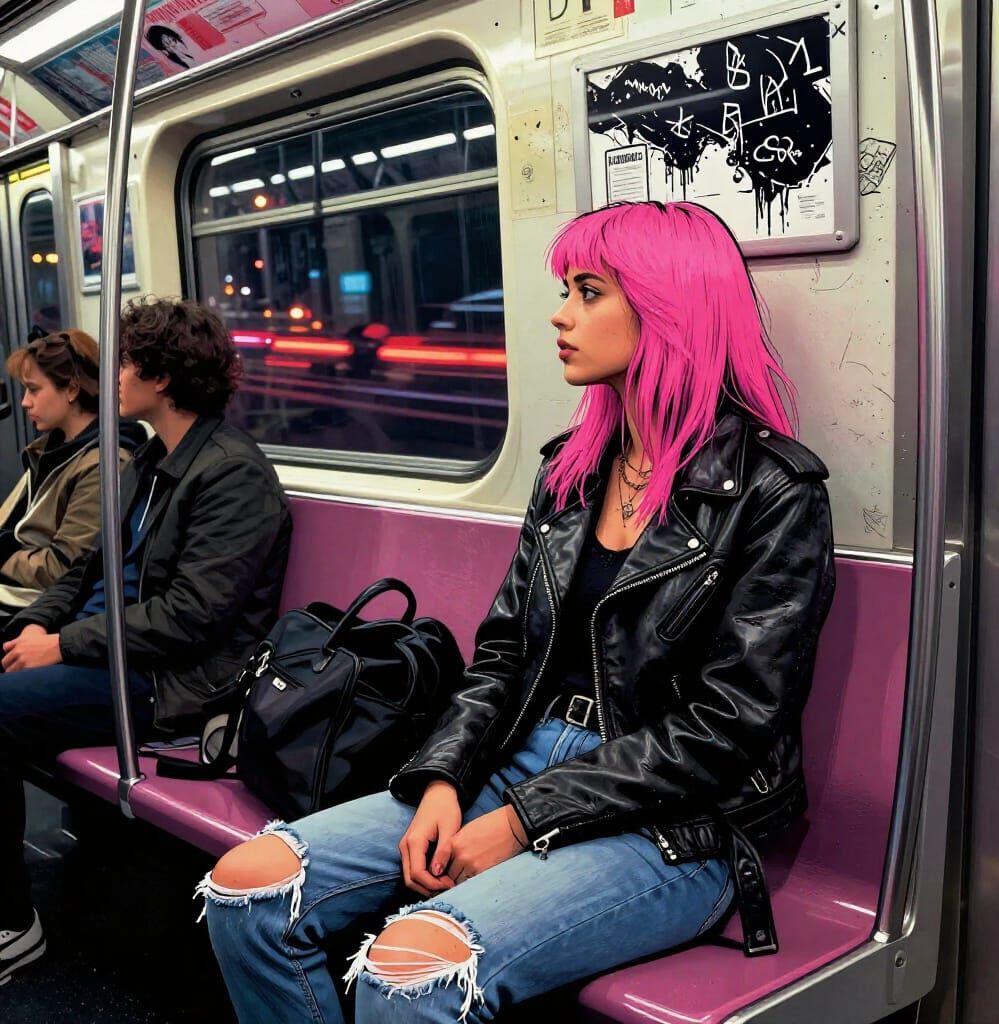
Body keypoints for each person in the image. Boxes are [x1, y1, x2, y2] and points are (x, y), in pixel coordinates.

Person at [201, 201, 836, 1024]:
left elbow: (729, 726)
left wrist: (523, 819)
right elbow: (502, 655)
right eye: (566, 291)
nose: (559, 315)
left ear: (668, 308)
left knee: (411, 974)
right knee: (250, 890)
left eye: (588, 292)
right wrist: (442, 778)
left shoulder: (772, 493)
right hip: (515, 758)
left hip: (676, 819)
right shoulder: (573, 471)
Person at [0, 298, 292, 984]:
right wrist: (36, 624)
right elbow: (85, 568)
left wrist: (64, 645)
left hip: (174, 680)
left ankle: (13, 923)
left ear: (162, 377)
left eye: (125, 363)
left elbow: (193, 617)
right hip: (109, 653)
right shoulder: (151, 460)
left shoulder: (231, 474)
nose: (113, 376)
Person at [0, 330, 146, 620]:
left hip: (35, 604)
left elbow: (62, 567)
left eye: (33, 389)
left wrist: (4, 555)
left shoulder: (103, 463)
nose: (25, 402)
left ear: (71, 389)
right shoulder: (49, 450)